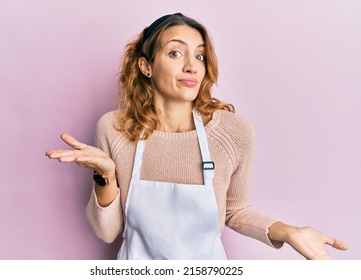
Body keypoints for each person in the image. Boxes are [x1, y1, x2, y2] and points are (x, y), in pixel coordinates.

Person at [45, 13, 348, 260]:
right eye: (175, 53)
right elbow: (107, 232)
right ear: (146, 66)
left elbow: (235, 210)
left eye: (200, 56)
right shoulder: (114, 129)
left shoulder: (233, 132)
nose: (191, 65)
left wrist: (289, 231)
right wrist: (105, 176)